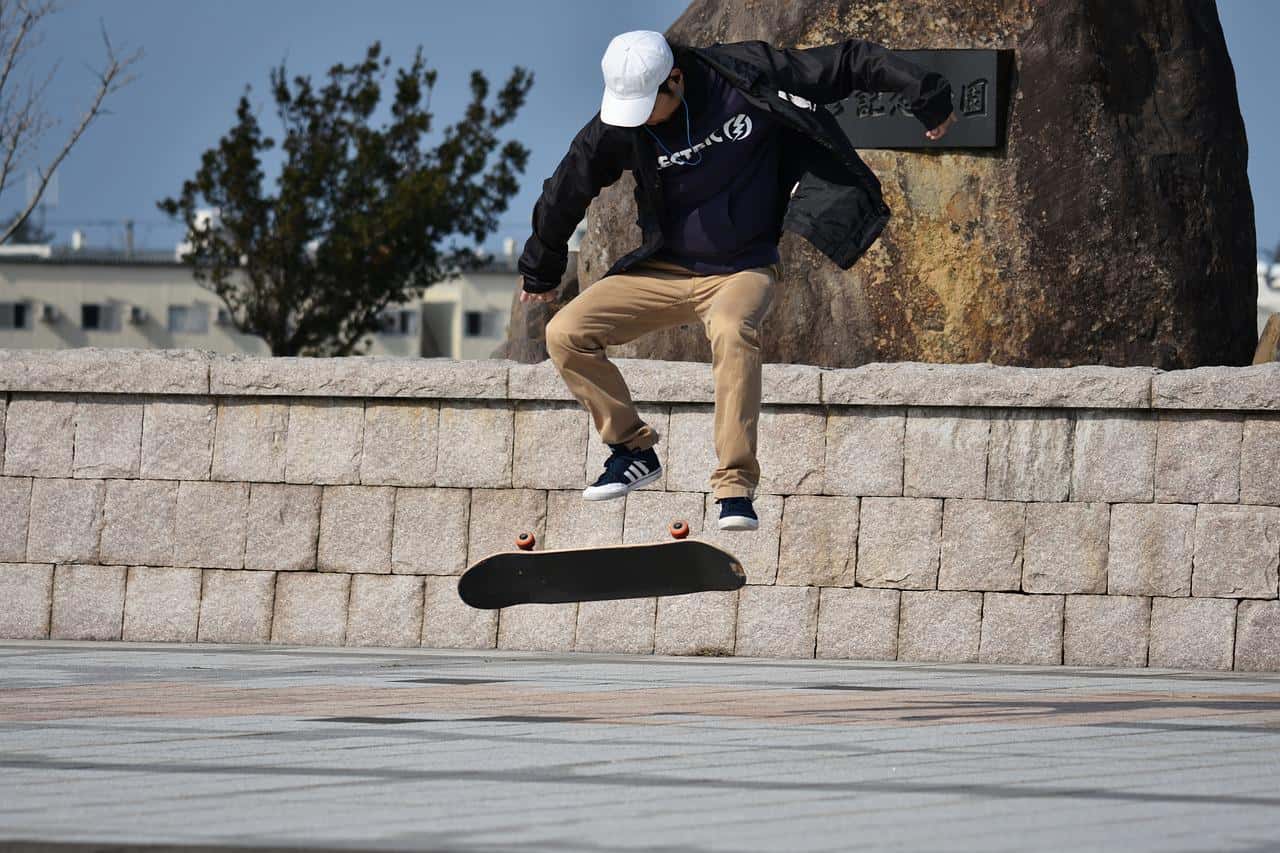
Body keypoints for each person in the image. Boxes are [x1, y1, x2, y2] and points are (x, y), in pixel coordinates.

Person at [518, 30, 956, 531]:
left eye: (648, 108)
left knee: (731, 329)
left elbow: (848, 63)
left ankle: (734, 487)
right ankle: (631, 450)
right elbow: (567, 187)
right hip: (666, 270)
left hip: (742, 269)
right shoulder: (621, 126)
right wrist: (541, 265)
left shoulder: (744, 75)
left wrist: (925, 96)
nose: (640, 121)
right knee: (566, 334)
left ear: (675, 79)